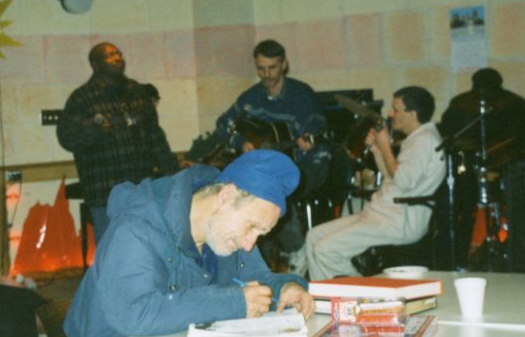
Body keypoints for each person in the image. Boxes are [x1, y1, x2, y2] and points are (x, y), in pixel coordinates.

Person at [63, 150, 315, 337]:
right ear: (226, 196)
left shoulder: (224, 233)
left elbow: (259, 281)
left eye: (260, 234)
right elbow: (133, 313)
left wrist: (286, 288)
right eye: (252, 227)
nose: (249, 244)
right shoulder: (135, 228)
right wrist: (232, 302)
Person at [306, 86, 446, 279]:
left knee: (325, 250)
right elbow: (393, 178)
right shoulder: (417, 139)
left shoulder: (424, 142)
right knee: (313, 237)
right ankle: (325, 297)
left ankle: (360, 293)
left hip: (398, 221)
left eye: (396, 109)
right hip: (384, 214)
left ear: (412, 114)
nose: (390, 114)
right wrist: (378, 151)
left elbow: (403, 182)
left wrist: (386, 145)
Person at [215, 39, 331, 273]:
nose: (266, 74)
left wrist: (309, 139)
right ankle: (258, 262)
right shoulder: (251, 98)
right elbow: (223, 124)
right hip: (270, 168)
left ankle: (296, 249)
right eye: (261, 68)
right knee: (247, 191)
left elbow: (320, 128)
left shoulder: (301, 95)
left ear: (284, 65)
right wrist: (243, 142)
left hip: (309, 164)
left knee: (273, 190)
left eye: (272, 68)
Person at [57, 42, 179, 244]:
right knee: (111, 253)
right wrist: (93, 129)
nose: (117, 58)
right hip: (105, 194)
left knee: (147, 249)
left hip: (141, 189)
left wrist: (172, 174)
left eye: (119, 53)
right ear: (95, 64)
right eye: (110, 55)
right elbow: (67, 138)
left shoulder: (138, 92)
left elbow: (155, 137)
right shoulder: (82, 98)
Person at [438, 68, 525, 268]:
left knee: (516, 216)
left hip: (508, 172)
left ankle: (513, 258)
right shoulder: (461, 105)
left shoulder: (515, 106)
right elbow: (448, 133)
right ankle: (461, 259)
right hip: (468, 172)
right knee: (462, 210)